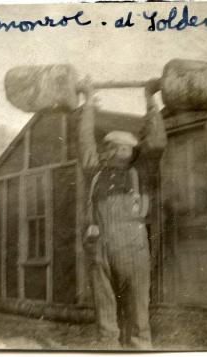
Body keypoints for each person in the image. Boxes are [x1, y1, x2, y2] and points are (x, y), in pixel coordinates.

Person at [78, 77, 167, 350]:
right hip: (101, 246)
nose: (118, 151)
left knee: (138, 315)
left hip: (130, 247)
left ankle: (139, 349)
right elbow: (85, 141)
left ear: (131, 151)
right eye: (114, 147)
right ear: (108, 150)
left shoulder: (141, 170)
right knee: (108, 319)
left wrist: (151, 101)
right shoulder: (96, 171)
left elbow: (157, 141)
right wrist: (89, 102)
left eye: (124, 148)